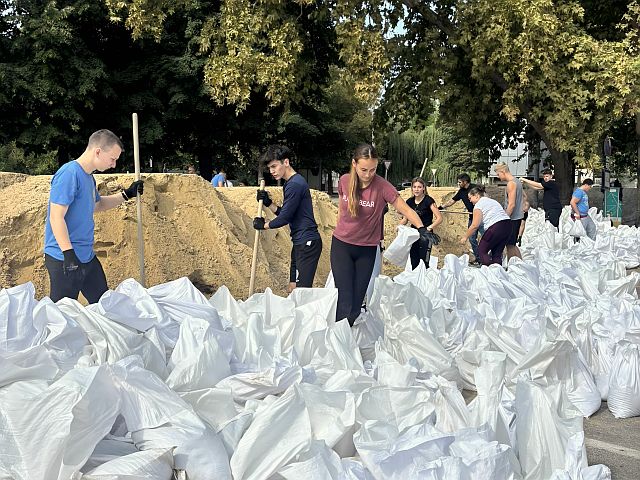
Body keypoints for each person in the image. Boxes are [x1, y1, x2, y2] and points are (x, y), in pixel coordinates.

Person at [331, 143, 433, 325]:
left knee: (356, 303)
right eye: (364, 169)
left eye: (373, 169)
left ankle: (348, 333)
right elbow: (341, 209)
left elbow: (406, 209)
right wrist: (340, 228)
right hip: (342, 246)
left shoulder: (382, 186)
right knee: (344, 299)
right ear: (354, 164)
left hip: (367, 249)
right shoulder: (344, 181)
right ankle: (339, 340)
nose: (368, 174)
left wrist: (421, 228)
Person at [43, 129, 144, 303]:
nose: (114, 165)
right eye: (113, 159)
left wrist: (126, 194)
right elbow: (56, 217)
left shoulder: (88, 178)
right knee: (61, 316)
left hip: (86, 256)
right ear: (98, 151)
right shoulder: (69, 173)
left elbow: (96, 205)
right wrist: (69, 255)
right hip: (64, 259)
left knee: (104, 304)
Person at [253, 145, 322, 291]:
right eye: (269, 168)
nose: (271, 171)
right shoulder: (291, 183)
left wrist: (263, 225)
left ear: (286, 162)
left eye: (274, 166)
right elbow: (287, 214)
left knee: (301, 291)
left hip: (307, 243)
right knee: (293, 287)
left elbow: (284, 218)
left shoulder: (295, 184)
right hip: (299, 242)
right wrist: (268, 203)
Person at [459, 185, 511, 266]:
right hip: (507, 225)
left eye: (470, 198)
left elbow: (475, 225)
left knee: (482, 250)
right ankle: (498, 274)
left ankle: (488, 271)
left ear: (476, 196)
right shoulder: (493, 201)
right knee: (496, 253)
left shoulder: (478, 205)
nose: (469, 201)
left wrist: (465, 237)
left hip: (496, 227)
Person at [399, 177, 443, 269]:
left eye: (419, 187)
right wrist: (399, 226)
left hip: (426, 234)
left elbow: (439, 218)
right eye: (414, 187)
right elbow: (405, 218)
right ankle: (416, 281)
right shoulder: (409, 201)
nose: (416, 189)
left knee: (424, 261)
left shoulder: (429, 200)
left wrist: (429, 228)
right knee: (414, 259)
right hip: (413, 234)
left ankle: (424, 281)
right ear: (412, 188)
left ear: (424, 188)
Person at [440, 173, 483, 264]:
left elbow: (485, 198)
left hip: (483, 217)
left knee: (487, 237)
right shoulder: (461, 191)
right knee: (472, 239)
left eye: (460, 182)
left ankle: (490, 257)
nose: (458, 183)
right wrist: (441, 207)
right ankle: (479, 259)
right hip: (472, 217)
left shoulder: (475, 188)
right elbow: (452, 201)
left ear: (465, 181)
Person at [494, 163, 523, 260]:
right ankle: (520, 264)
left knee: (509, 245)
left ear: (503, 172)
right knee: (513, 244)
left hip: (512, 218)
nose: (498, 177)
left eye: (498, 174)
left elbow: (511, 204)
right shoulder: (517, 181)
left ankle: (512, 267)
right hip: (517, 217)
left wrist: (504, 218)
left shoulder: (511, 184)